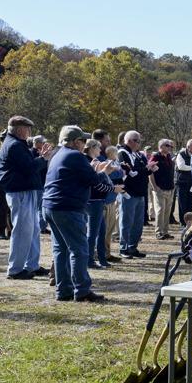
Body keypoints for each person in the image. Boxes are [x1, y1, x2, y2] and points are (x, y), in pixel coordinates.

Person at [43, 125, 122, 302]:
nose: (84, 144)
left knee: (61, 249)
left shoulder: (57, 155)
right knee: (79, 249)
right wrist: (103, 173)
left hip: (50, 206)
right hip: (67, 207)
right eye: (82, 140)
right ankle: (82, 290)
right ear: (75, 142)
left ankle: (63, 290)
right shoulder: (75, 156)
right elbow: (94, 181)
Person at [0, 116, 54, 280]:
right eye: (27, 128)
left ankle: (31, 265)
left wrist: (40, 158)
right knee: (23, 231)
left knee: (33, 229)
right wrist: (43, 159)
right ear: (20, 129)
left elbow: (27, 166)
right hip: (20, 192)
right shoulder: (15, 145)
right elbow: (29, 168)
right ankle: (15, 269)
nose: (29, 131)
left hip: (25, 191)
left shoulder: (16, 144)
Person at [118, 130, 158, 259]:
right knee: (126, 222)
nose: (139, 143)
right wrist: (146, 168)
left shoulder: (138, 154)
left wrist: (150, 169)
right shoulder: (122, 153)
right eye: (136, 140)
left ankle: (132, 247)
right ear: (129, 140)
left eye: (140, 141)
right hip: (129, 192)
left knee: (138, 223)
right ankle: (124, 248)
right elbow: (130, 171)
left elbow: (142, 171)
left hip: (140, 192)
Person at [83, 139, 118, 269]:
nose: (100, 150)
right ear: (92, 148)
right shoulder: (87, 161)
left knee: (101, 231)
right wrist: (113, 189)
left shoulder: (94, 161)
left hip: (98, 200)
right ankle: (89, 260)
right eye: (98, 147)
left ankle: (102, 259)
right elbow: (95, 183)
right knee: (92, 233)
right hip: (93, 201)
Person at [149, 139, 176, 240]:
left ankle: (165, 232)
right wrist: (155, 187)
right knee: (160, 210)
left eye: (170, 146)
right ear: (161, 146)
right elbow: (150, 173)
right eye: (167, 145)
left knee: (167, 211)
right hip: (160, 189)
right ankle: (158, 232)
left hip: (170, 188)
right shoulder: (155, 157)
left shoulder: (168, 156)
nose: (170, 147)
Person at [101, 145, 124, 262]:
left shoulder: (116, 163)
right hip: (106, 199)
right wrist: (119, 171)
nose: (117, 155)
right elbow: (116, 174)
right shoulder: (107, 163)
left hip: (112, 199)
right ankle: (103, 253)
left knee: (110, 229)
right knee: (105, 229)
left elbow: (121, 173)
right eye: (115, 153)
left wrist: (120, 170)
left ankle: (107, 252)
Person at [0, 129, 12, 240]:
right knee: (2, 208)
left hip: (6, 181)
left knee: (8, 208)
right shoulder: (1, 151)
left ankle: (10, 231)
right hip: (1, 182)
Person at [175, 139, 192, 226]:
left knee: (190, 203)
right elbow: (181, 166)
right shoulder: (181, 154)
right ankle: (183, 222)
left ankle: (189, 222)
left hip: (191, 183)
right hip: (182, 183)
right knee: (182, 204)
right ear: (188, 147)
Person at [30, 135, 49, 234]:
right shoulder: (31, 153)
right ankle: (40, 226)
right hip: (37, 184)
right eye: (42, 142)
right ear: (36, 143)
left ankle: (42, 226)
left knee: (41, 206)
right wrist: (41, 158)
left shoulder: (41, 153)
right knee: (38, 207)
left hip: (43, 183)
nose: (44, 144)